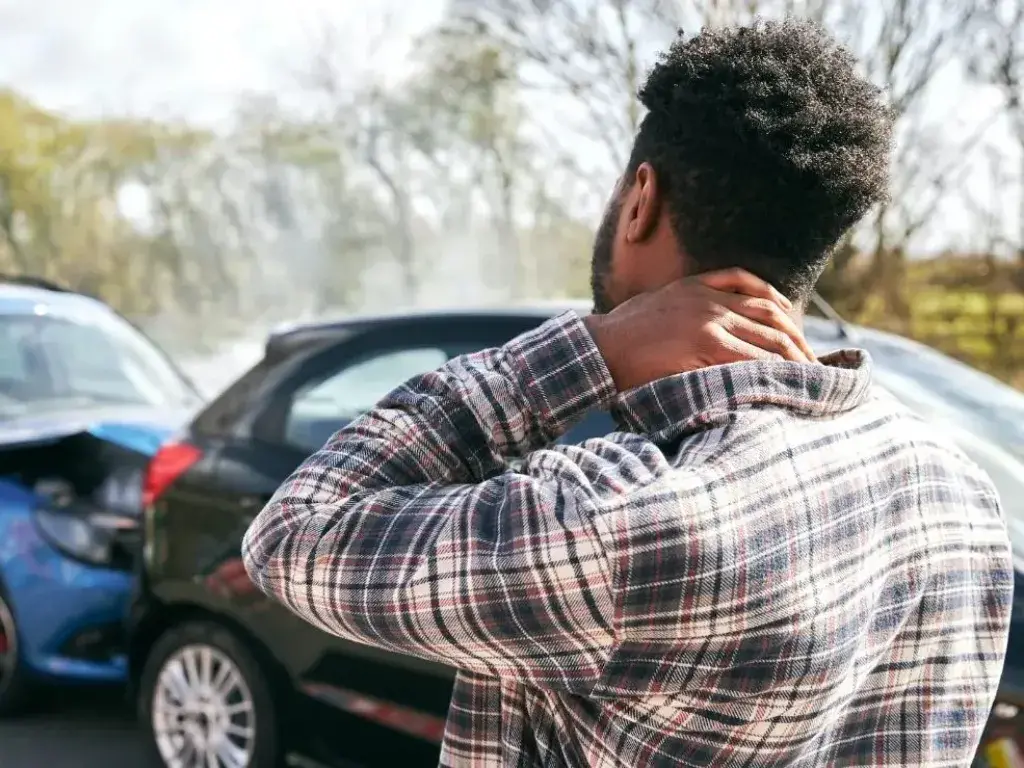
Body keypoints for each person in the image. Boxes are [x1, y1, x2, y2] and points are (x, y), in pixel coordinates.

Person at [242, 19, 1013, 768]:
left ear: (641, 199)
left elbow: (294, 536)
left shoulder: (621, 519)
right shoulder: (959, 494)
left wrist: (590, 350)